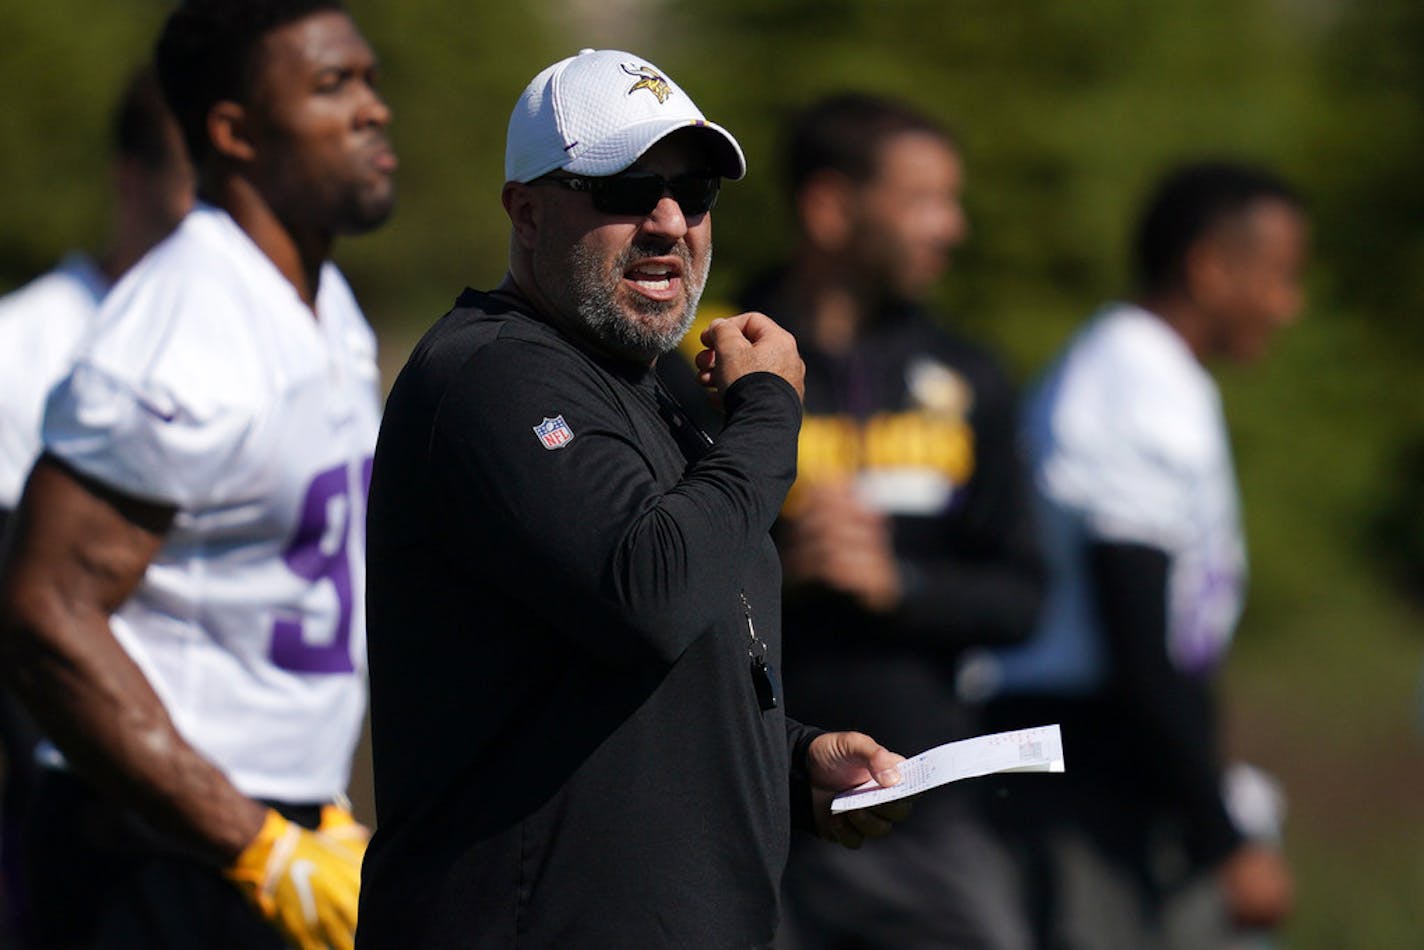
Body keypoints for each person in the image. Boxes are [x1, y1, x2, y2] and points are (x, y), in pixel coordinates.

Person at [358, 49, 909, 949]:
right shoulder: (494, 372)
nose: (667, 222)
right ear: (526, 211)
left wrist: (791, 760)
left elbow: (626, 688)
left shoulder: (637, 390)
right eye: (623, 189)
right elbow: (646, 592)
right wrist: (770, 410)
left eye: (693, 193)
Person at [0, 0, 396, 947]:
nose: (374, 110)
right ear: (234, 131)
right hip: (160, 846)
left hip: (272, 820)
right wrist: (255, 842)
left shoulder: (318, 292)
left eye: (370, 79)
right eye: (333, 85)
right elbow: (44, 614)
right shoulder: (182, 329)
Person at [701, 93, 1042, 950]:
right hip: (749, 805)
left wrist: (902, 584)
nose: (951, 227)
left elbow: (1024, 595)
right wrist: (778, 557)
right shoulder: (713, 361)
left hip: (927, 810)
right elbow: (654, 575)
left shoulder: (969, 375)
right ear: (829, 208)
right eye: (925, 200)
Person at [976, 161, 1307, 948]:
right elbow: (1136, 635)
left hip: (1107, 761)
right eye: (1280, 276)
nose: (1290, 305)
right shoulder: (1136, 384)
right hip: (1080, 771)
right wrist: (1224, 838)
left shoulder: (1152, 373)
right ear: (1211, 266)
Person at [0, 65, 193, 947]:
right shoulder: (25, 346)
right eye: (202, 183)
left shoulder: (299, 326)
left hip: (255, 812)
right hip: (86, 812)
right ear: (132, 176)